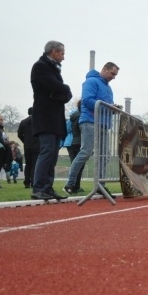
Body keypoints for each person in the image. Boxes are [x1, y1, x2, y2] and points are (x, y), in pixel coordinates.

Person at [64, 62, 119, 196]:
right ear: (104, 69)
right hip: (89, 121)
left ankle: (100, 185)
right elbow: (87, 100)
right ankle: (70, 183)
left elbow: (105, 105)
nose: (114, 77)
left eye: (115, 75)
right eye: (112, 73)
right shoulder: (91, 82)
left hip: (104, 124)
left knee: (105, 156)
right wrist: (108, 106)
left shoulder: (108, 88)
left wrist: (113, 108)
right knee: (85, 152)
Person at [30, 41, 72, 201]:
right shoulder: (40, 66)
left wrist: (62, 92)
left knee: (53, 154)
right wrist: (64, 89)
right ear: (54, 52)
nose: (64, 57)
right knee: (47, 152)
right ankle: (38, 187)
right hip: (45, 117)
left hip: (55, 118)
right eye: (62, 53)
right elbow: (57, 87)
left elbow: (64, 94)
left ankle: (47, 187)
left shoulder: (53, 69)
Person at [17, 107, 39, 189]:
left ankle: (27, 182)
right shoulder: (38, 121)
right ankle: (34, 181)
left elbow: (19, 134)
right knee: (35, 164)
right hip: (37, 145)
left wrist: (25, 141)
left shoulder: (23, 122)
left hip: (27, 146)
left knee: (28, 164)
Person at [64, 100, 83, 193]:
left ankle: (75, 185)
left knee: (77, 164)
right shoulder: (79, 117)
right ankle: (72, 185)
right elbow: (66, 130)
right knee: (77, 164)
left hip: (72, 143)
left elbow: (67, 129)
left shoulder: (72, 117)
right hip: (74, 142)